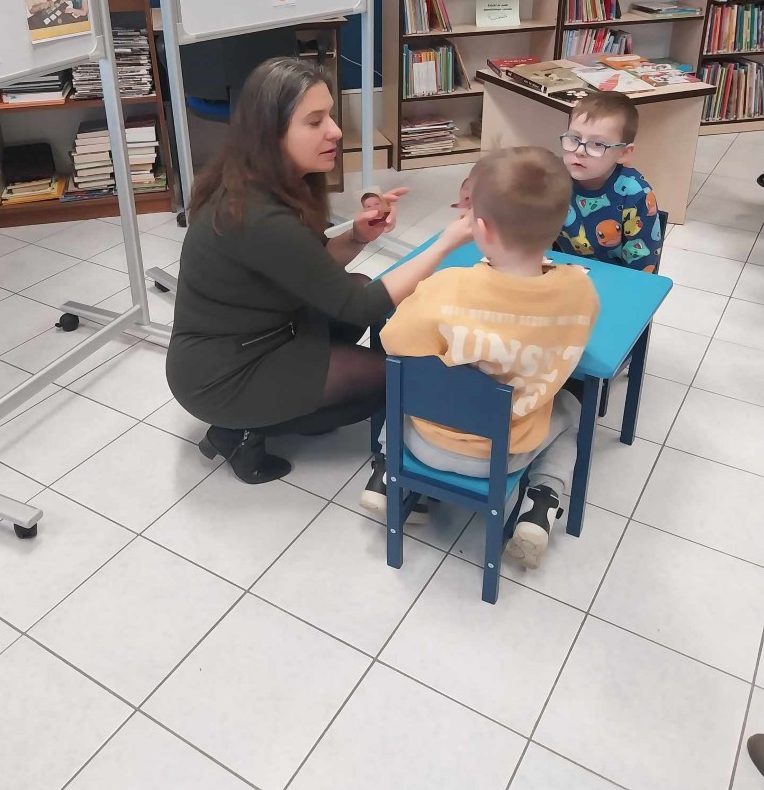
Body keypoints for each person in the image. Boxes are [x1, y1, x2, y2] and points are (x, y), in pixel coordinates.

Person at [166, 57, 472, 485]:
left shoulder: (269, 181)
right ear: (270, 133)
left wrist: (357, 236)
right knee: (388, 378)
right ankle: (240, 430)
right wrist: (446, 242)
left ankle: (281, 408)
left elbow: (308, 264)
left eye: (330, 115)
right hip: (222, 376)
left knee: (358, 282)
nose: (335, 131)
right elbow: (360, 307)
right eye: (314, 122)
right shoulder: (257, 214)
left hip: (255, 338)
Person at [360, 147, 599, 569]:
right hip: (505, 452)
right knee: (570, 407)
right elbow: (573, 347)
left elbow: (394, 342)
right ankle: (542, 502)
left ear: (479, 228)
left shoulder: (447, 287)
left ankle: (386, 472)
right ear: (562, 221)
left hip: (426, 443)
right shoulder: (579, 292)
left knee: (402, 382)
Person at [557, 92, 662, 272]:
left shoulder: (636, 196)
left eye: (597, 144)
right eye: (574, 139)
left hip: (614, 279)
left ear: (623, 153)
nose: (580, 151)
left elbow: (641, 267)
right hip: (560, 274)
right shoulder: (552, 177)